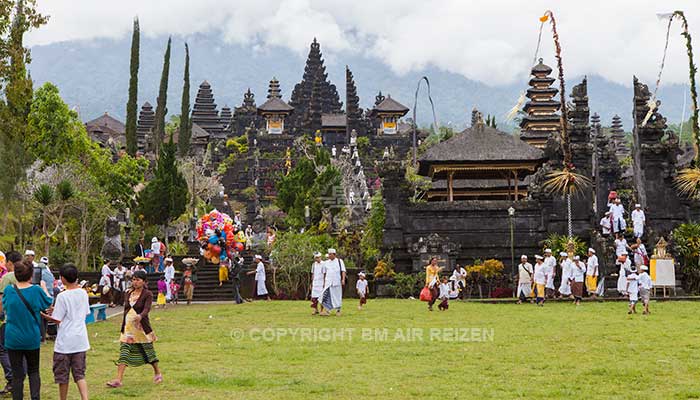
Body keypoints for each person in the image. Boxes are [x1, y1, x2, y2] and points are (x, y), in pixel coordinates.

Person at [2, 261, 53, 400]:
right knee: (34, 371)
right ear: (31, 275)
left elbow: (4, 307)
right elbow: (49, 302)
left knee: (17, 374)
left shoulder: (8, 290)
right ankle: (35, 397)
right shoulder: (36, 290)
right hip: (31, 337)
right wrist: (44, 287)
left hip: (13, 338)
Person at [106, 270, 162, 388]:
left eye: (138, 280)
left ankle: (157, 372)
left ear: (144, 281)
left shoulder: (147, 294)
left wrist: (140, 316)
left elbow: (147, 309)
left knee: (148, 352)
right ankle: (118, 380)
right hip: (128, 329)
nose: (135, 282)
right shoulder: (128, 293)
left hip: (141, 329)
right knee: (124, 352)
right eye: (133, 279)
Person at [46, 263, 90, 400]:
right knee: (79, 374)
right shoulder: (83, 293)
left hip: (65, 342)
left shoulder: (62, 296)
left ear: (63, 279)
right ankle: (85, 398)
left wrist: (44, 315)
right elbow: (84, 312)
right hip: (80, 339)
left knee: (62, 376)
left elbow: (57, 319)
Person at [0, 251, 22, 395]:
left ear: (9, 263)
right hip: (24, 319)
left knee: (2, 349)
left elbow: (1, 299)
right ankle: (19, 378)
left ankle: (12, 379)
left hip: (9, 319)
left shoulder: (8, 277)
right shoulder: (27, 274)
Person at [320, 249, 346, 315]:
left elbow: (343, 271)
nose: (329, 255)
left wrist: (343, 279)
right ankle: (327, 310)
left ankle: (338, 310)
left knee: (337, 296)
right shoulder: (326, 262)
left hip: (337, 281)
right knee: (326, 295)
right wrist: (323, 282)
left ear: (334, 254)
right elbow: (324, 273)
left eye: (330, 254)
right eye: (328, 254)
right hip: (328, 282)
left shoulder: (339, 261)